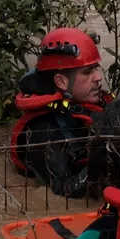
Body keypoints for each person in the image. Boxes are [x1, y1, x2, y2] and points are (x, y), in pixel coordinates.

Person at [9, 28, 112, 198]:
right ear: (61, 82)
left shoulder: (82, 100)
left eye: (95, 68)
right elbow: (63, 191)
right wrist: (104, 156)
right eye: (87, 72)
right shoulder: (43, 131)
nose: (98, 77)